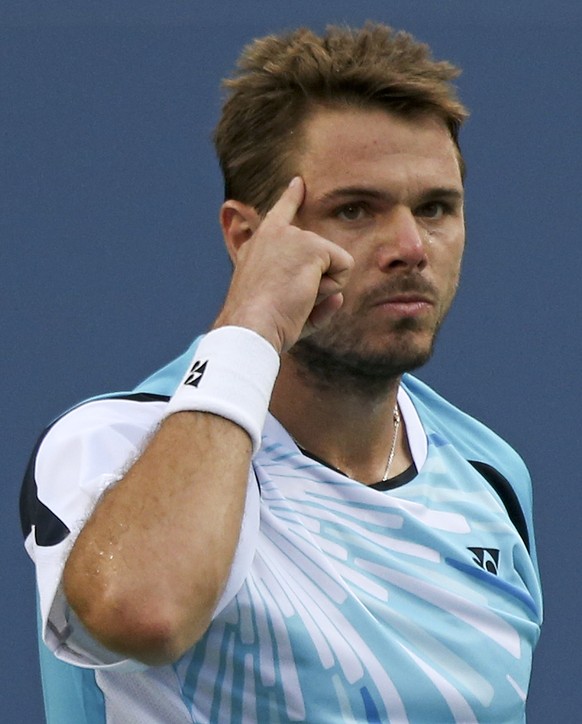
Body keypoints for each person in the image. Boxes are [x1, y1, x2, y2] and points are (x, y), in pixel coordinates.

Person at [21, 22, 542, 724]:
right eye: (355, 209)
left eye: (436, 209)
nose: (411, 247)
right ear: (246, 236)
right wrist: (250, 325)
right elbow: (143, 614)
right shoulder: (110, 443)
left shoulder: (491, 476)